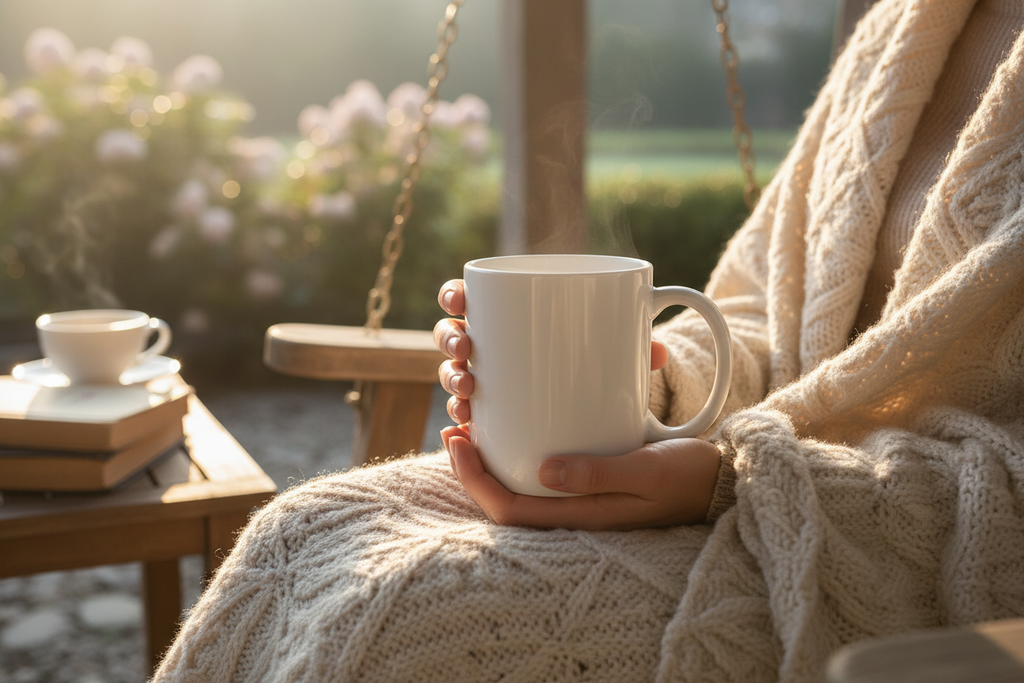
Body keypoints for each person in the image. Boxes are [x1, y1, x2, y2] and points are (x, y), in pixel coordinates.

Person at [152, 0, 1024, 681]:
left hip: (878, 565)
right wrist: (637, 389)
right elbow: (760, 316)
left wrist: (737, 483)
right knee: (300, 528)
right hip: (717, 486)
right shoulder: (900, 30)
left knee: (403, 621)